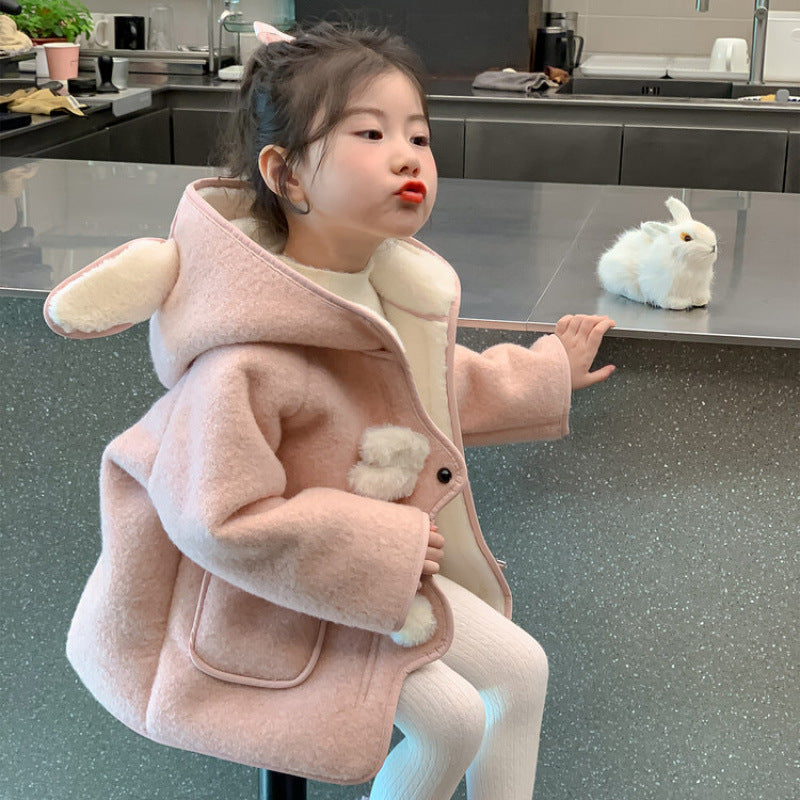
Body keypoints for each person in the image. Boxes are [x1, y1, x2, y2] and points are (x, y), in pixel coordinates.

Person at [44, 21, 615, 800]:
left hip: (364, 573)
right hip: (276, 597)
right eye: (371, 133)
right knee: (451, 721)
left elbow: (423, 388)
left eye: (418, 135)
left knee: (522, 670)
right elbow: (219, 517)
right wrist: (383, 546)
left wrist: (547, 372)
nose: (408, 156)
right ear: (287, 174)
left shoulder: (370, 292)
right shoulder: (242, 354)